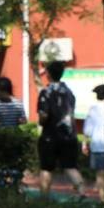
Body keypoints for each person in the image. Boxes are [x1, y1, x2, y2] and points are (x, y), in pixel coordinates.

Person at [36, 61, 84, 198]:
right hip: (69, 135)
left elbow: (44, 115)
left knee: (46, 168)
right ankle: (82, 193)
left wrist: (41, 122)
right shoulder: (69, 92)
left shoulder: (46, 92)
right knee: (70, 166)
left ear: (48, 74)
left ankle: (44, 199)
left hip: (50, 136)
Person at [82, 84, 104, 203]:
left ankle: (102, 201)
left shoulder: (93, 109)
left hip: (98, 145)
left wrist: (84, 144)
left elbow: (87, 129)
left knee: (100, 174)